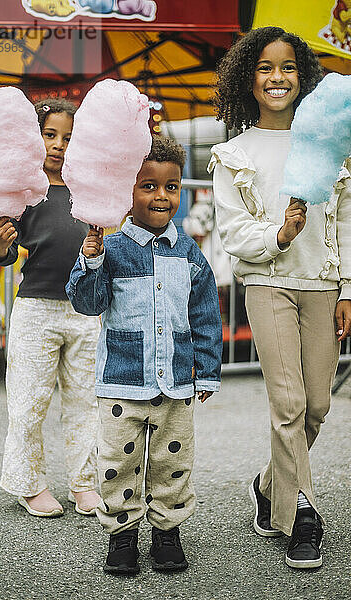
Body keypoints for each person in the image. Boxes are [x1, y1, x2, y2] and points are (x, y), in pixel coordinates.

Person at [210, 26, 351, 569]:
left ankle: (270, 486)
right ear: (248, 78)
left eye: (288, 67)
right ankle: (302, 515)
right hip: (267, 282)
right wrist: (280, 235)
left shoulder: (328, 144)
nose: (277, 77)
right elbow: (234, 234)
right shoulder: (232, 154)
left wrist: (347, 287)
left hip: (321, 285)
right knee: (288, 404)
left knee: (317, 404)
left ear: (303, 76)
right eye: (265, 68)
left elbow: (343, 220)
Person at [66, 136, 222, 575]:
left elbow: (205, 313)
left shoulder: (190, 253)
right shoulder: (111, 250)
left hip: (175, 383)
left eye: (171, 186)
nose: (161, 196)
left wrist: (207, 371)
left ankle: (166, 532)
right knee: (118, 463)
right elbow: (87, 302)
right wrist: (89, 262)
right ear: (125, 191)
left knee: (173, 462)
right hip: (122, 382)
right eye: (148, 186)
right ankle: (121, 535)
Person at [0, 97, 101, 517]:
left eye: (69, 138)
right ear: (32, 139)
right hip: (36, 308)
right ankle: (28, 482)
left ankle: (84, 482)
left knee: (86, 401)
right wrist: (1, 246)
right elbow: (5, 252)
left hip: (85, 310)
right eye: (50, 135)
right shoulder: (23, 189)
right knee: (28, 401)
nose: (58, 145)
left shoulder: (89, 188)